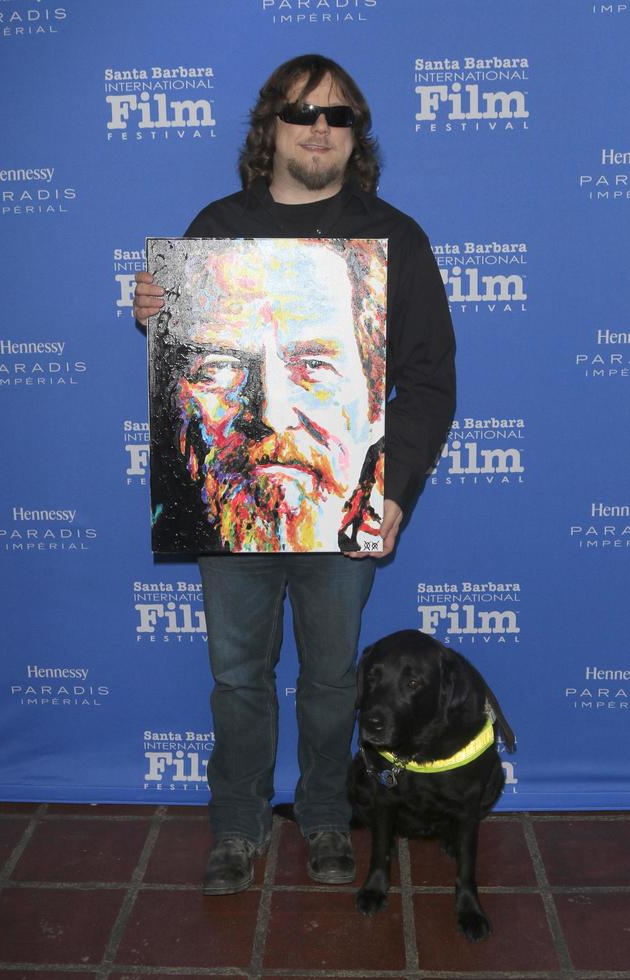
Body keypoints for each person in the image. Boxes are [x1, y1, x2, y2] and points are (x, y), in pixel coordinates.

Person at [133, 53, 456, 895]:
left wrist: (395, 488)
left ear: (355, 137)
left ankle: (321, 816)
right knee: (238, 679)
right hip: (228, 507)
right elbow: (189, 370)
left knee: (332, 681)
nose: (320, 128)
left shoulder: (397, 241)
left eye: (339, 117)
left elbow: (427, 379)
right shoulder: (213, 230)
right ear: (268, 126)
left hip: (341, 500)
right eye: (302, 112)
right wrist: (157, 320)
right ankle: (238, 827)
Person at [149, 236, 387, 554]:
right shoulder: (214, 224)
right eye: (222, 366)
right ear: (178, 398)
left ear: (374, 404)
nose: (271, 416)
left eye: (314, 364)